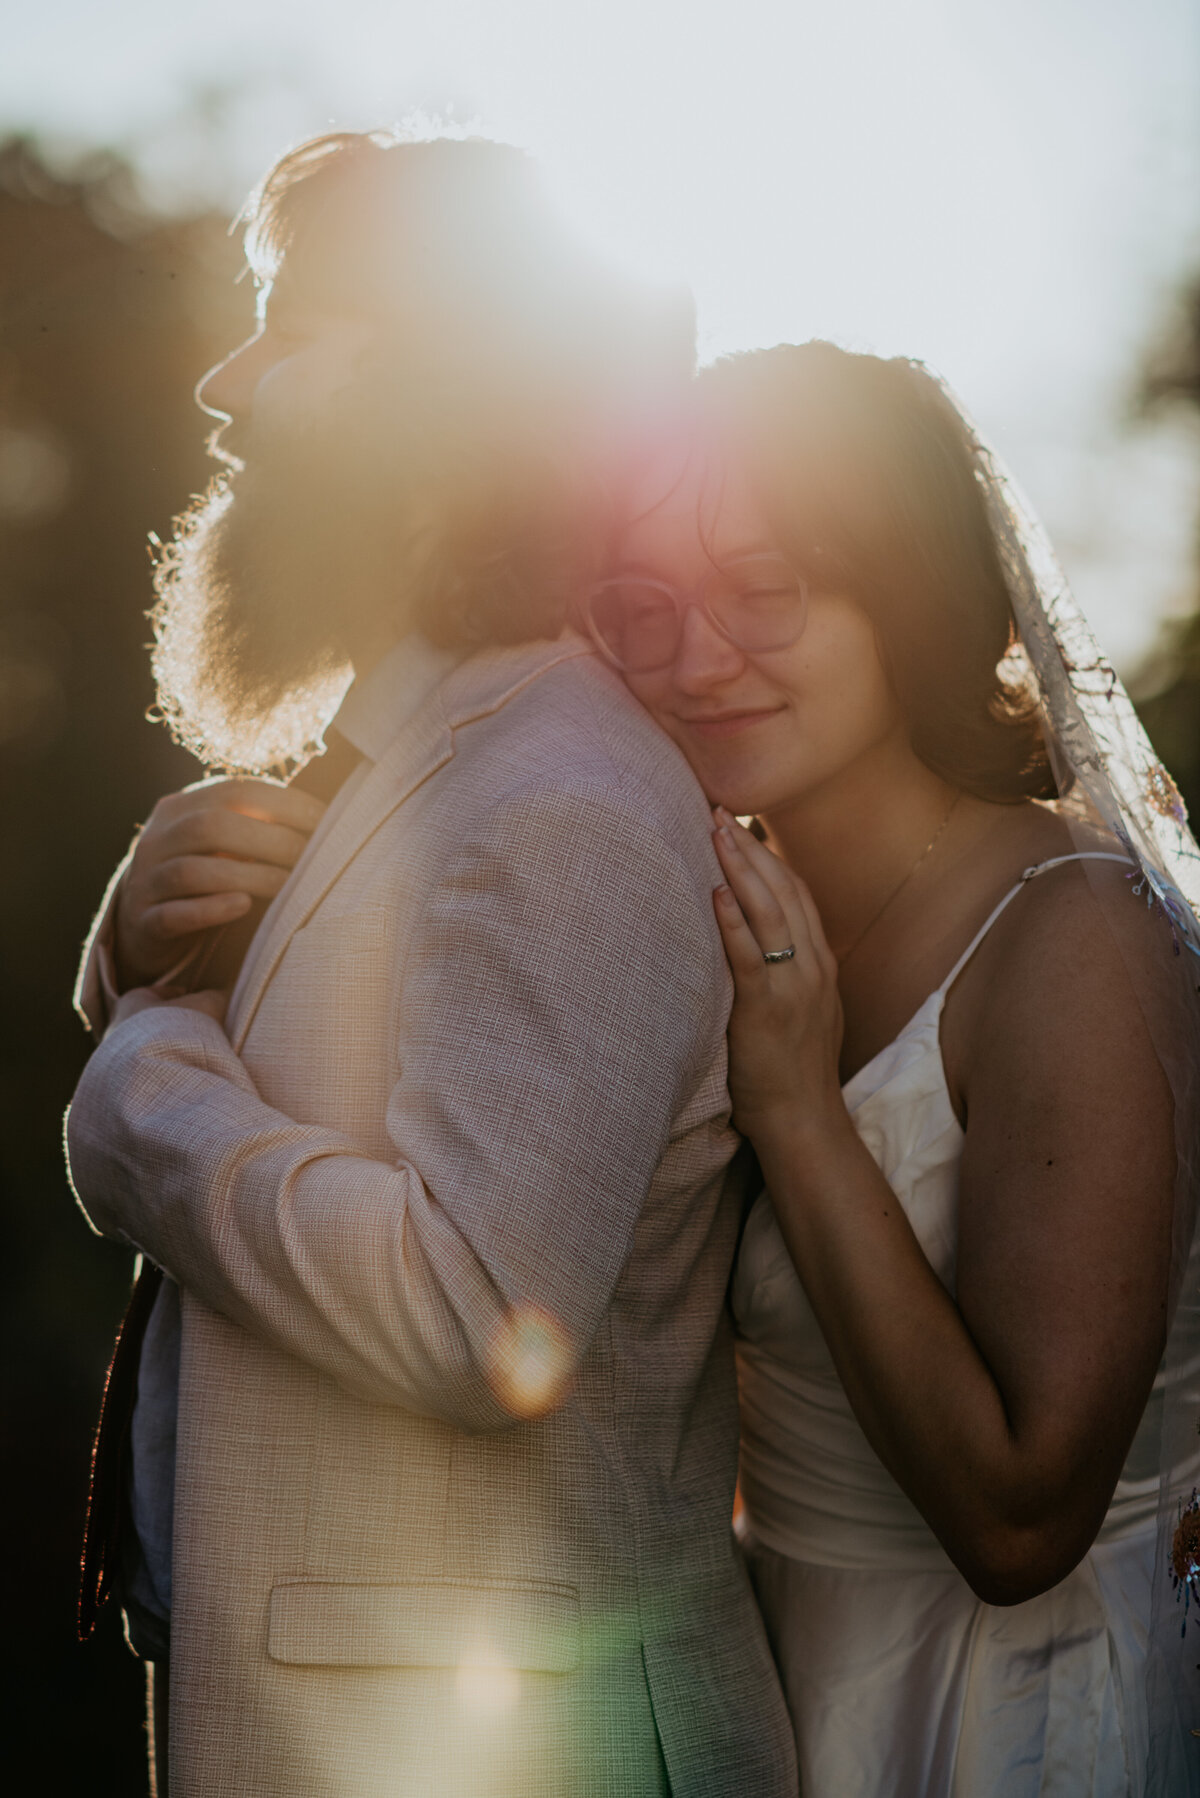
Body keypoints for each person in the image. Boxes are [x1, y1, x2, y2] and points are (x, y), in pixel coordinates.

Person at [64, 131, 797, 1798]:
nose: (223, 383)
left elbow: (485, 1314)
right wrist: (141, 962)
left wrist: (142, 1100)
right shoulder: (422, 759)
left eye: (294, 325)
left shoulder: (564, 796)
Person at [580, 341, 1200, 1795]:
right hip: (778, 1689)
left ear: (905, 586)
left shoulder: (1072, 935)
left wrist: (800, 1112)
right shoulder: (715, 902)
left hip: (1017, 1718)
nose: (692, 656)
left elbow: (1018, 1521)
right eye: (642, 606)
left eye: (763, 587)